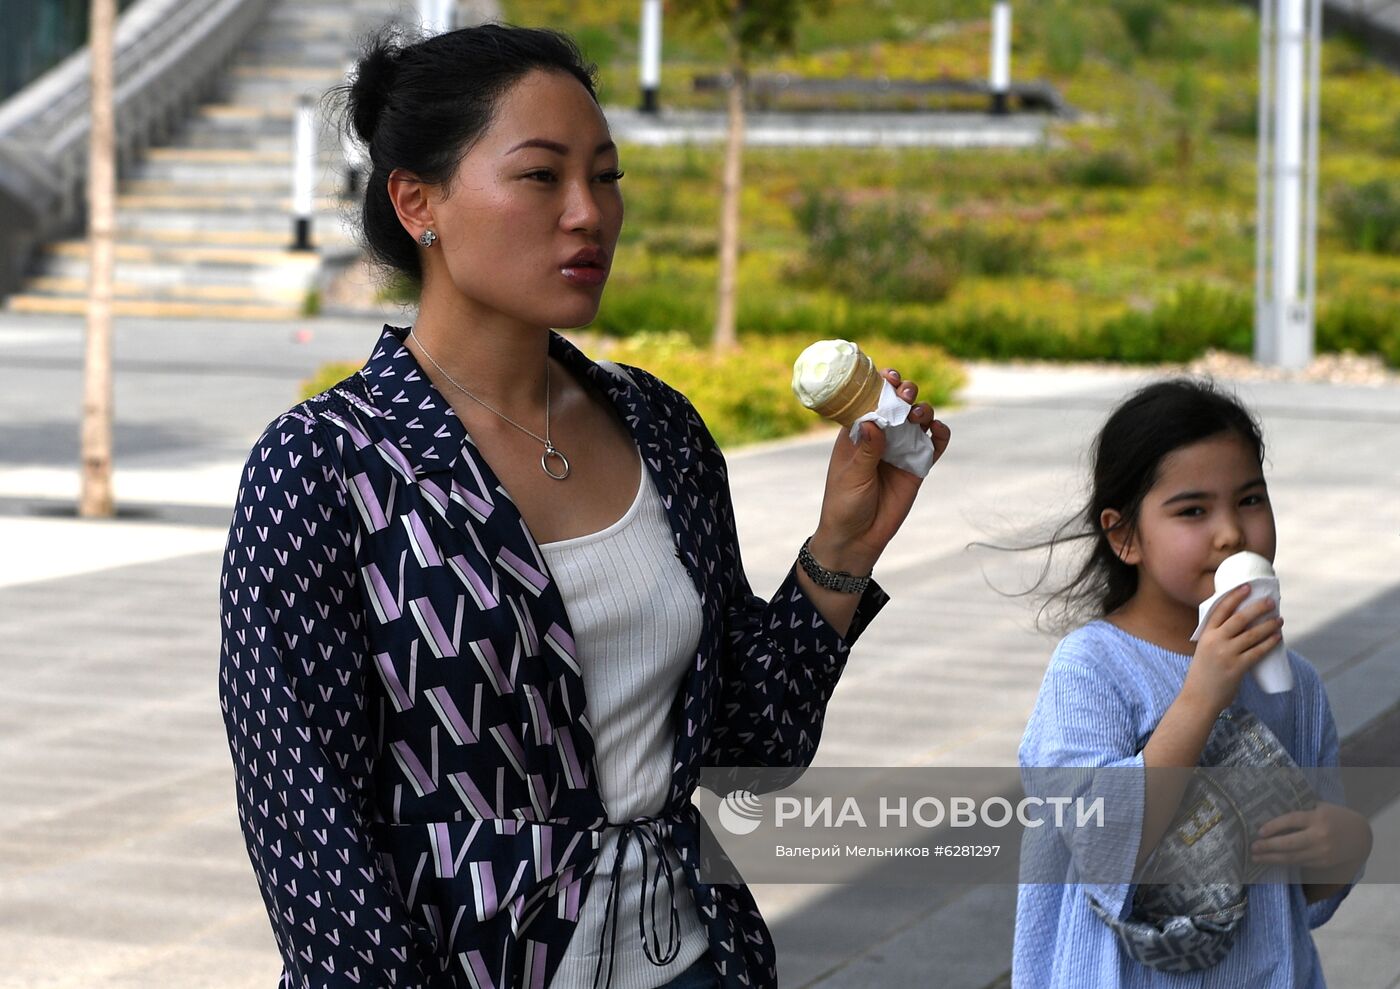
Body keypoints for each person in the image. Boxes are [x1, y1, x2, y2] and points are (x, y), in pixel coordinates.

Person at [216, 23, 951, 989]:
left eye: (605, 177)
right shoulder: (325, 466)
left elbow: (743, 755)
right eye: (540, 176)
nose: (588, 213)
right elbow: (308, 837)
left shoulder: (661, 427)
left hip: (698, 959)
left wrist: (843, 547)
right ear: (417, 201)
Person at [1011, 379, 1371, 987]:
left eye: (1251, 500)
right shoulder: (1093, 667)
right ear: (1125, 536)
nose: (1230, 532)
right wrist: (1203, 694)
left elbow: (1309, 891)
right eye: (1193, 511)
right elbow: (1099, 843)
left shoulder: (1298, 686)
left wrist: (1345, 845)